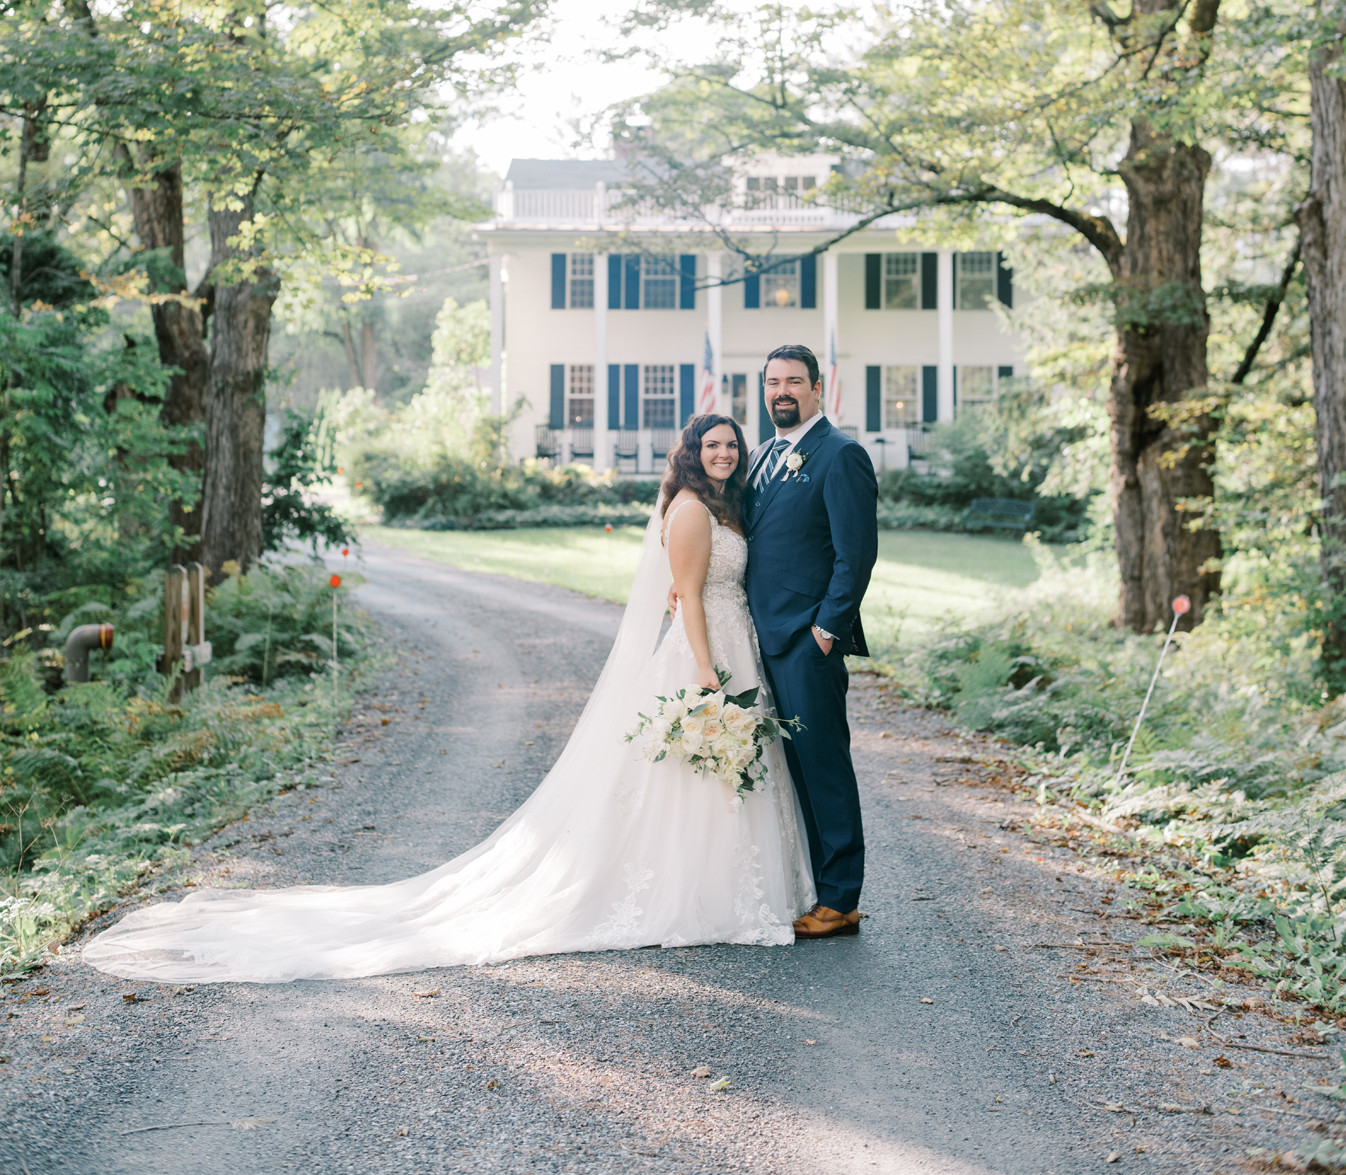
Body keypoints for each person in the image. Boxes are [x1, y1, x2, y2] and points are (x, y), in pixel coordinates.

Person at [82, 414, 813, 983]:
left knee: (711, 774)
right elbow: (685, 599)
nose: (722, 453)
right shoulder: (690, 511)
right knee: (692, 773)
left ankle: (733, 888)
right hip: (705, 652)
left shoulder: (724, 506)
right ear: (691, 453)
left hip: (734, 640)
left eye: (730, 446)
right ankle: (697, 891)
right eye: (712, 445)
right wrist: (710, 677)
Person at [744, 345, 878, 941]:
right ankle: (811, 885)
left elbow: (856, 553)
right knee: (787, 767)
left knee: (823, 764)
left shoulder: (840, 455)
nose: (782, 392)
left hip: (806, 640)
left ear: (817, 389)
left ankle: (841, 898)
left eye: (794, 382)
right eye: (773, 382)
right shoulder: (761, 457)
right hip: (756, 636)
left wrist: (827, 628)